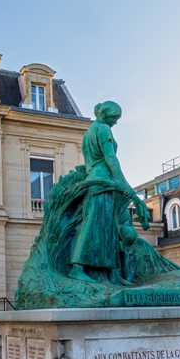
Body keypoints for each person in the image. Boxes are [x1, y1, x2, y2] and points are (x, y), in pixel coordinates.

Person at [68, 101, 151, 284]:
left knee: (109, 230)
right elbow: (110, 158)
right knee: (92, 226)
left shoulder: (89, 132)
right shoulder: (103, 129)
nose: (115, 122)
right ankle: (77, 268)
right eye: (114, 117)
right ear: (104, 114)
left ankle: (112, 274)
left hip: (98, 183)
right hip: (101, 183)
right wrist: (125, 185)